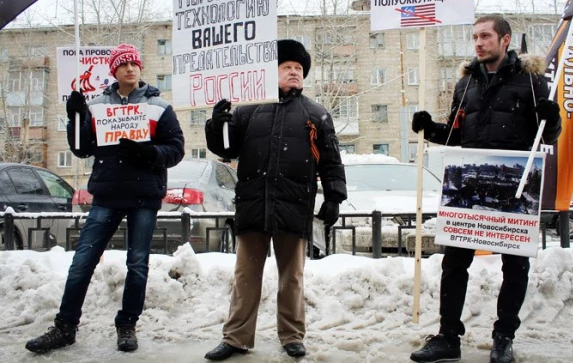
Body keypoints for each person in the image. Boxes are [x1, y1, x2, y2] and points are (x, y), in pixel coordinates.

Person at [410, 15, 562, 363]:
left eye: (485, 36)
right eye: (475, 36)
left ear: (504, 39)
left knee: (515, 266)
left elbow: (547, 136)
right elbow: (456, 134)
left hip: (515, 185)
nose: (478, 43)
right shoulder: (465, 85)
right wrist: (430, 129)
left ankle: (503, 337)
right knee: (454, 263)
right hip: (470, 183)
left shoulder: (531, 80)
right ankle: (448, 337)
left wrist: (552, 119)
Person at [25, 44, 185, 354]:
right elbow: (82, 148)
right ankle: (65, 326)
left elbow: (176, 149)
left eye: (134, 64)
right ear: (113, 70)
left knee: (137, 265)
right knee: (82, 262)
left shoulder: (158, 106)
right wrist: (75, 115)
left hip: (144, 197)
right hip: (107, 196)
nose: (130, 68)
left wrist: (148, 152)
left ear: (140, 68)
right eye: (123, 64)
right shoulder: (98, 106)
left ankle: (127, 324)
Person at [203, 39, 347, 360]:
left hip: (293, 206)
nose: (294, 73)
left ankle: (292, 335)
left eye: (298, 68)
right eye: (287, 68)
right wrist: (217, 124)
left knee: (292, 276)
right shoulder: (249, 110)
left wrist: (335, 196)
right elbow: (225, 149)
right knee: (245, 275)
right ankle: (236, 337)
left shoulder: (316, 114)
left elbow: (331, 160)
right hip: (253, 203)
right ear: (272, 72)